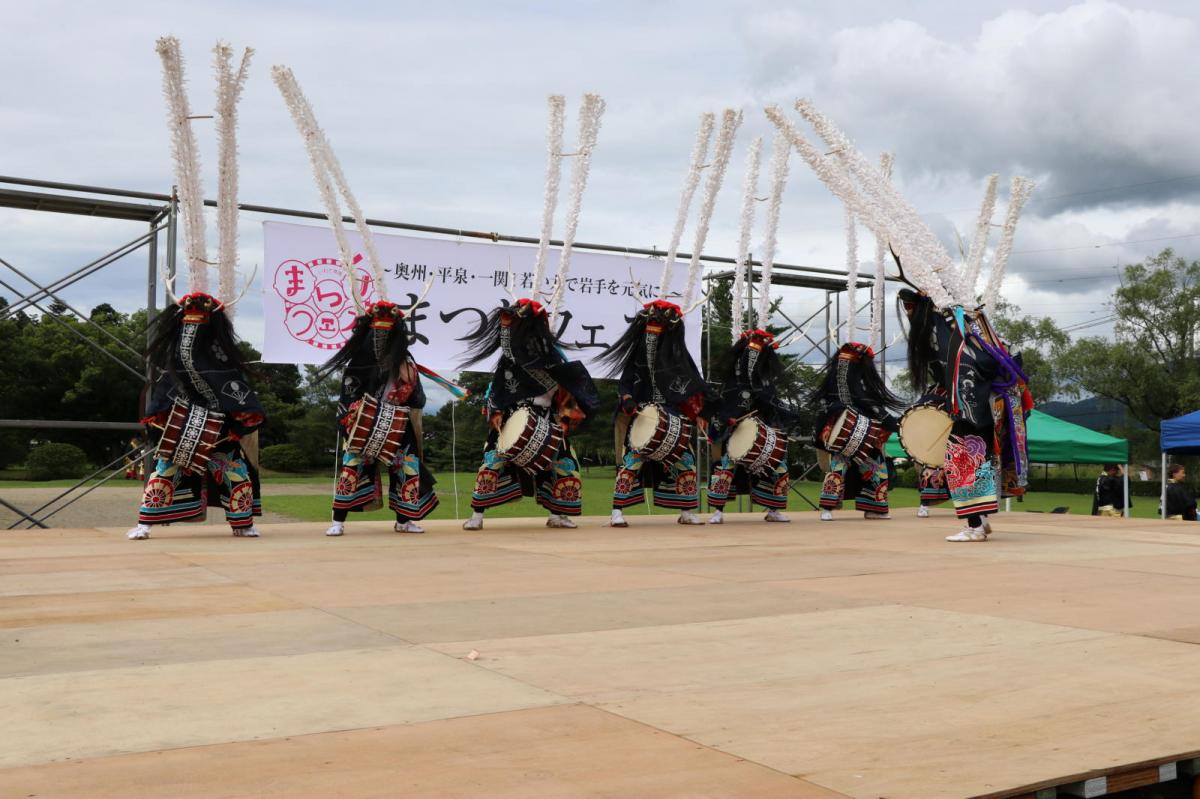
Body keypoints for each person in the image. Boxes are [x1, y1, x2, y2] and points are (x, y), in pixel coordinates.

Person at [898, 289, 1032, 542]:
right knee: (979, 462)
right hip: (990, 403)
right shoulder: (962, 327)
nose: (908, 315)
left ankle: (975, 527)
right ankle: (980, 520)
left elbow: (968, 369)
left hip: (976, 404)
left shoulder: (947, 332)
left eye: (910, 309)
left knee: (961, 460)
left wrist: (961, 403)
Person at [128, 293, 265, 539]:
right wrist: (160, 412)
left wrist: (240, 413)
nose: (192, 327)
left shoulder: (220, 355)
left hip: (219, 424)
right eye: (188, 321)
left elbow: (232, 385)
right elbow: (168, 385)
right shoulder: (177, 357)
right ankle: (144, 524)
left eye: (198, 321)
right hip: (184, 419)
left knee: (233, 470)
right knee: (165, 468)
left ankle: (243, 522)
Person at [460, 298, 599, 530]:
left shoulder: (552, 358)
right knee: (492, 461)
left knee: (565, 464)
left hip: (547, 416)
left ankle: (558, 514)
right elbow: (497, 389)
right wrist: (495, 411)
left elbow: (566, 392)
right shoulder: (510, 359)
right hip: (513, 415)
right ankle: (477, 516)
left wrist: (565, 418)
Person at [323, 301, 451, 537]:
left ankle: (404, 520)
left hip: (398, 420)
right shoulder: (360, 359)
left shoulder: (406, 359)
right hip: (364, 420)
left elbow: (417, 398)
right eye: (378, 331)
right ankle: (338, 521)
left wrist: (407, 385)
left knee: (407, 467)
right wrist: (352, 418)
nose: (381, 336)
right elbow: (348, 392)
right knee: (352, 467)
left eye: (387, 332)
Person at [601, 300, 712, 527]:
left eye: (656, 330)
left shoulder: (676, 357)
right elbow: (625, 383)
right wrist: (627, 399)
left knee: (686, 462)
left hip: (671, 416)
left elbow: (692, 384)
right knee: (630, 463)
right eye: (649, 329)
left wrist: (699, 411)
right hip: (641, 415)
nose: (652, 335)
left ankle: (687, 510)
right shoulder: (636, 356)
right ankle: (616, 511)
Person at [707, 328, 799, 524]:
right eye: (749, 355)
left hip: (763, 433)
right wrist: (728, 419)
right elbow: (722, 407)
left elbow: (773, 403)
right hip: (737, 433)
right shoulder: (732, 383)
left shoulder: (765, 383)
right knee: (725, 469)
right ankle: (718, 511)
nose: (752, 359)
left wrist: (784, 412)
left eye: (756, 355)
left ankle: (774, 510)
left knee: (779, 467)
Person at [809, 342, 902, 521]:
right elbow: (869, 405)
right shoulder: (854, 382)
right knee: (865, 466)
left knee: (845, 465)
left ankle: (831, 508)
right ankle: (867, 508)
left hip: (849, 428)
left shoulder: (838, 379)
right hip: (853, 429)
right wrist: (894, 424)